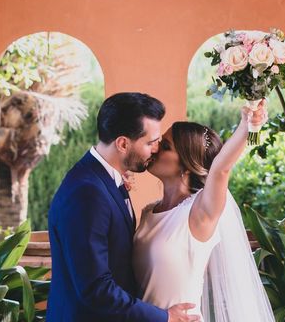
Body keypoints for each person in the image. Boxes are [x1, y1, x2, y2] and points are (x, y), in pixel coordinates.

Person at [47, 92, 201, 322]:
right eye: (150, 143)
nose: (157, 149)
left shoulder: (106, 180)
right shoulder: (87, 193)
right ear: (122, 143)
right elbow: (95, 289)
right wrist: (164, 317)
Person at [133, 101, 276, 322]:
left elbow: (220, 169)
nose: (155, 148)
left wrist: (247, 126)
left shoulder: (199, 213)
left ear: (186, 165)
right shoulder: (148, 212)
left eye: (166, 147)